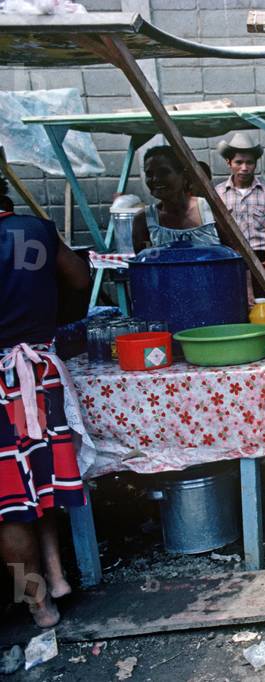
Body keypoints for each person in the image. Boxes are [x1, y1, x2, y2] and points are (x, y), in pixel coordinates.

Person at [0, 177, 91, 627]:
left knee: (9, 503)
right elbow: (78, 276)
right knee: (42, 481)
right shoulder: (35, 230)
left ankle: (39, 605)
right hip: (38, 371)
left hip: (2, 383)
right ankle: (55, 577)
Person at [215, 132, 265, 287]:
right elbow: (212, 232)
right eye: (238, 162)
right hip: (231, 259)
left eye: (249, 162)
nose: (244, 168)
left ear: (255, 164)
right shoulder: (218, 193)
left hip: (264, 259)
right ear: (229, 162)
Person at [132, 146, 220, 253]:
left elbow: (235, 255)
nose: (155, 179)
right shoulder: (143, 220)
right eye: (149, 174)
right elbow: (143, 264)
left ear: (184, 175)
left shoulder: (210, 210)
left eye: (163, 172)